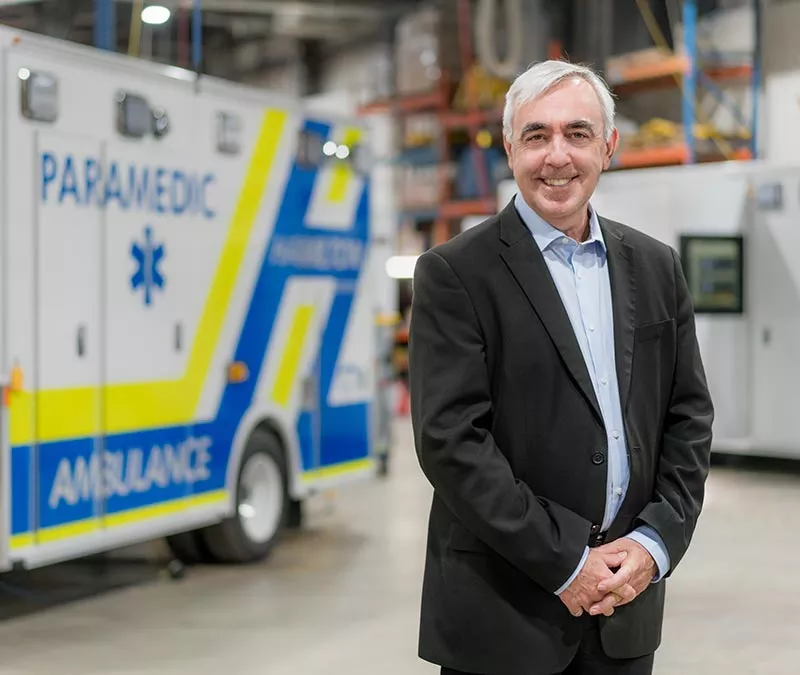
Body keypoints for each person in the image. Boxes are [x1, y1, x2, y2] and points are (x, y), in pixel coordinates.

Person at [407, 59, 714, 675]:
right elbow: (451, 444)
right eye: (536, 135)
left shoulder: (656, 267)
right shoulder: (456, 274)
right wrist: (567, 561)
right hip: (504, 617)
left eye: (577, 134)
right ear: (509, 147)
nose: (557, 157)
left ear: (608, 145)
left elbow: (688, 419)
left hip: (626, 609)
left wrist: (655, 543)